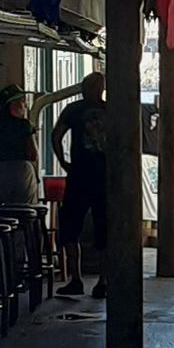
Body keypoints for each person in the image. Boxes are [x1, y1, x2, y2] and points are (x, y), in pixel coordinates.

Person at [53, 70, 109, 298]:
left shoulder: (73, 110)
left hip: (79, 175)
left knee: (70, 228)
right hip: (104, 177)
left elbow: (56, 135)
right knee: (103, 230)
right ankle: (103, 281)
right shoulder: (111, 111)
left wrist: (63, 161)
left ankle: (76, 279)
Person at [0, 85, 39, 217]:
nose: (25, 105)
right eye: (22, 101)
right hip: (22, 171)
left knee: (1, 214)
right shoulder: (24, 125)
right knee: (25, 214)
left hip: (0, 171)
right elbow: (33, 154)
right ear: (12, 105)